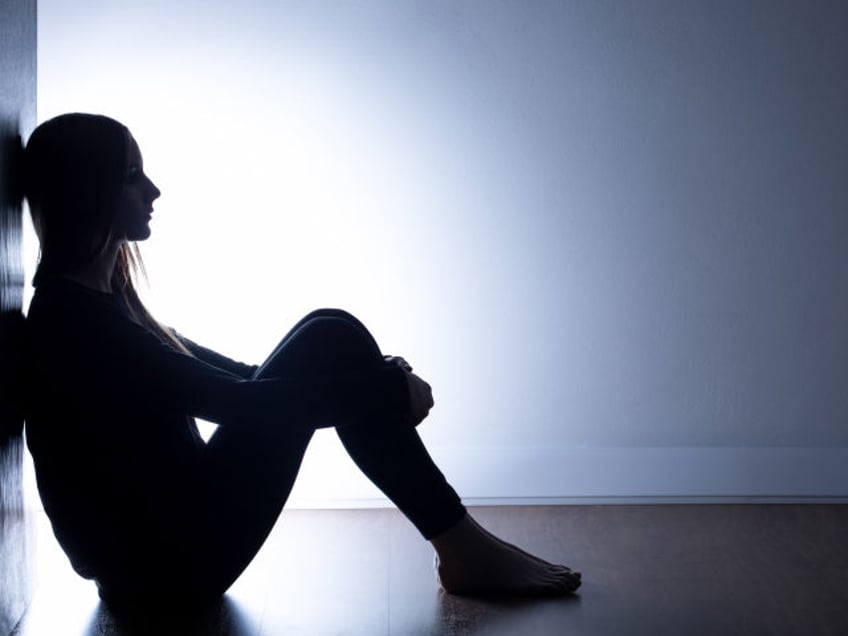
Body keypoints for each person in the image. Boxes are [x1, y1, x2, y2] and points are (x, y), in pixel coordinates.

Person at [22, 113, 581, 614]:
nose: (154, 189)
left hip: (169, 548)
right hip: (164, 575)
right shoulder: (75, 324)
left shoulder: (100, 299)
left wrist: (376, 377)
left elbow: (232, 377)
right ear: (87, 192)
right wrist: (380, 389)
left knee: (327, 332)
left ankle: (461, 546)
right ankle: (463, 546)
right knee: (330, 337)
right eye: (131, 176)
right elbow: (233, 403)